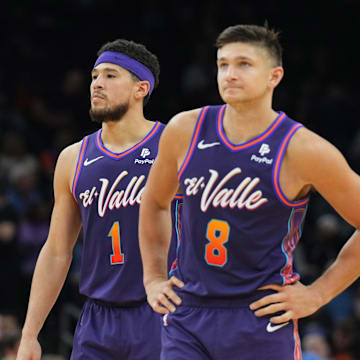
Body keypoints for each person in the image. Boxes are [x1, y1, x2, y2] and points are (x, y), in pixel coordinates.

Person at [139, 24, 360, 360]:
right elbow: (154, 202)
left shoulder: (303, 149)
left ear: (274, 76)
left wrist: (318, 294)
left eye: (244, 64)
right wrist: (153, 277)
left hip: (259, 316)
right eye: (223, 64)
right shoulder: (184, 130)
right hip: (188, 313)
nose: (229, 73)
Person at [16, 39, 182, 360]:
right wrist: (29, 334)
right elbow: (56, 251)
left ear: (141, 88)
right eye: (94, 76)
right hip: (96, 319)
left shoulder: (174, 146)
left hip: (162, 312)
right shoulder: (72, 159)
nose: (97, 84)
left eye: (110, 75)